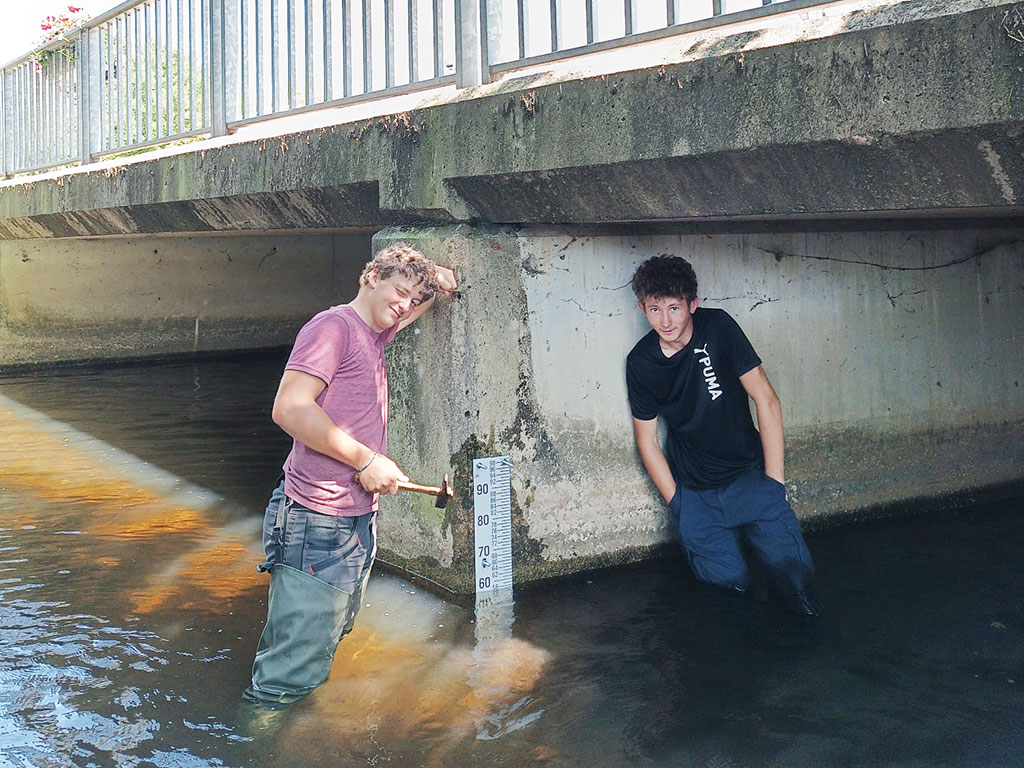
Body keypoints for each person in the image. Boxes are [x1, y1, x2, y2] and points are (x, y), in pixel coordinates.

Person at [244, 243, 457, 704]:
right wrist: (366, 460)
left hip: (352, 518)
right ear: (371, 276)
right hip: (314, 519)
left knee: (327, 636)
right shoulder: (334, 327)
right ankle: (261, 736)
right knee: (286, 676)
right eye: (398, 291)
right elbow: (289, 408)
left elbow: (444, 283)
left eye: (413, 300)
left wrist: (423, 279)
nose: (405, 305)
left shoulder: (376, 331)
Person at [625, 255, 817, 616]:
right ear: (642, 308)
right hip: (695, 494)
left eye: (674, 308)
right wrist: (678, 504)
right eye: (654, 309)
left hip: (749, 478)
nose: (664, 321)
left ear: (692, 305)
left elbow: (766, 399)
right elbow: (646, 440)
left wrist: (774, 484)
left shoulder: (718, 328)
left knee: (793, 577)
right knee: (728, 588)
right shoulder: (640, 363)